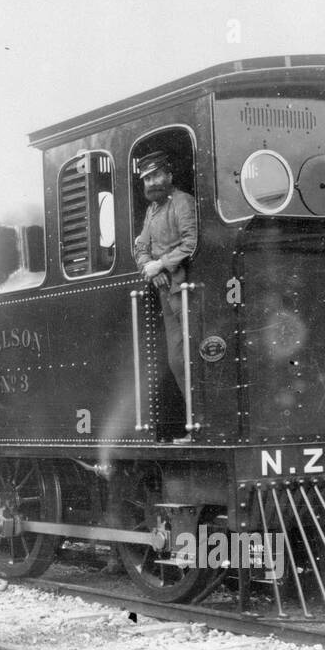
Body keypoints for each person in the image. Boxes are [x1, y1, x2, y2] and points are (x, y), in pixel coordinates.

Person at [133, 149, 198, 442]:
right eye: (146, 178)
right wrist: (149, 266)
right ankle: (192, 424)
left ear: (169, 175)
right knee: (176, 360)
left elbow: (190, 243)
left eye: (156, 175)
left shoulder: (182, 202)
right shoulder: (152, 210)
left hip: (184, 289)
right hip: (164, 289)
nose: (151, 182)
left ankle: (198, 427)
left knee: (188, 358)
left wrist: (162, 263)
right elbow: (140, 245)